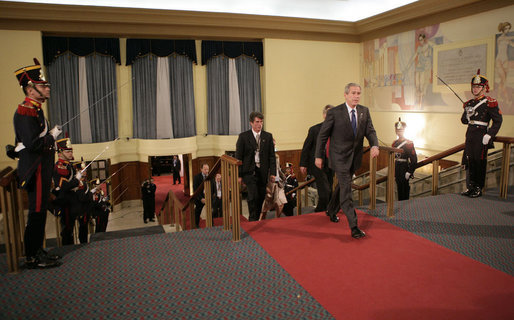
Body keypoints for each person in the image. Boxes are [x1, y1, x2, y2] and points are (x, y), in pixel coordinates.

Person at [12, 58, 62, 268]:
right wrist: (52, 136)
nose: (47, 88)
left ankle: (37, 250)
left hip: (42, 168)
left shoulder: (35, 109)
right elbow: (33, 144)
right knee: (36, 212)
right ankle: (32, 255)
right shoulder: (25, 111)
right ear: (30, 90)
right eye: (42, 86)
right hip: (36, 170)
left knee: (40, 212)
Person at [315, 83, 379, 239]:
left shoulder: (364, 111)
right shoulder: (334, 113)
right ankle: (354, 227)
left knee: (343, 186)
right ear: (345, 95)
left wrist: (374, 145)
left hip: (354, 158)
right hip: (339, 157)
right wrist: (318, 156)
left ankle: (331, 209)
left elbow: (370, 130)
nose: (356, 96)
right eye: (353, 93)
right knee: (346, 191)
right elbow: (323, 136)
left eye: (358, 93)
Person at [461, 70, 503, 198]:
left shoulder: (490, 102)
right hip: (470, 135)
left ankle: (478, 188)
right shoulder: (469, 104)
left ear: (484, 88)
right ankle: (471, 187)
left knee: (479, 162)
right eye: (474, 86)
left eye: (478, 86)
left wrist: (490, 135)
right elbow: (463, 121)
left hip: (481, 136)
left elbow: (498, 121)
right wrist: (467, 115)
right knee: (471, 160)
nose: (475, 89)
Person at [235, 112, 276, 221]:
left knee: (261, 196)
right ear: (251, 123)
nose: (259, 124)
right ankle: (252, 218)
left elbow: (272, 156)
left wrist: (273, 173)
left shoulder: (268, 136)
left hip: (262, 172)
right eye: (257, 122)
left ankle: (256, 217)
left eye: (261, 122)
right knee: (253, 196)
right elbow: (238, 157)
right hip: (248, 172)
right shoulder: (244, 137)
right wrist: (239, 175)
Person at [300, 105, 336, 221]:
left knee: (329, 188)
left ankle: (323, 210)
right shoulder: (315, 129)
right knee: (326, 190)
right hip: (317, 164)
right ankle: (321, 210)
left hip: (331, 164)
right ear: (324, 115)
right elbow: (306, 148)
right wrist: (303, 164)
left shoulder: (337, 130)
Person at [53, 137, 83, 246]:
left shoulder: (67, 165)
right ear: (60, 153)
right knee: (67, 229)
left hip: (71, 202)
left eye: (71, 151)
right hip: (65, 202)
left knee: (70, 228)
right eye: (67, 151)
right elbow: (64, 186)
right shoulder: (60, 166)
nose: (70, 153)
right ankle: (67, 249)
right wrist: (76, 180)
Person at [392, 118, 417, 200]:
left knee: (405, 188)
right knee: (399, 188)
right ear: (396, 131)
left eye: (401, 130)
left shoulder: (408, 143)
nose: (399, 132)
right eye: (398, 130)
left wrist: (410, 171)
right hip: (397, 168)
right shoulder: (394, 143)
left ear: (404, 131)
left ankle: (405, 208)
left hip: (404, 168)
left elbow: (414, 159)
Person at [259, 151, 287, 220]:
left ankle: (276, 220)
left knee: (281, 204)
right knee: (264, 209)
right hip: (268, 185)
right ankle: (260, 223)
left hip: (278, 184)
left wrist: (283, 178)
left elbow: (278, 170)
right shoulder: (262, 157)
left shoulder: (276, 156)